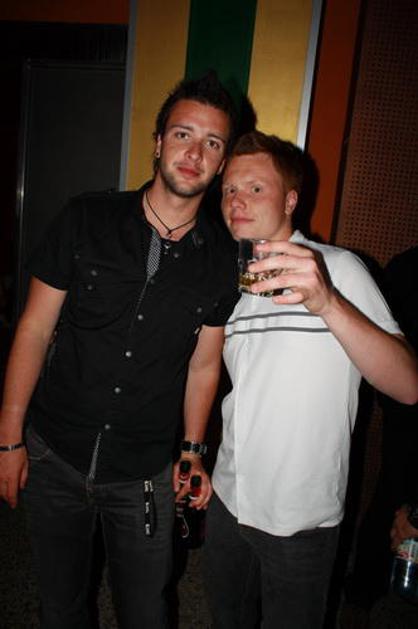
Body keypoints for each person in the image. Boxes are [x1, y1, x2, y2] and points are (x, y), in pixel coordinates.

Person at [0, 72, 238, 628]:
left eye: (212, 143)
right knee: (61, 607)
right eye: (182, 134)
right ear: (157, 143)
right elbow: (33, 329)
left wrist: (192, 450)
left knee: (147, 612)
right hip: (55, 453)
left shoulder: (222, 260)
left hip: (144, 471)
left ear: (222, 162)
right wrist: (8, 439)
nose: (194, 153)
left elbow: (204, 365)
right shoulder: (86, 218)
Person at [202, 130, 418, 629]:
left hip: (301, 518)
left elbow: (408, 384)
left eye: (256, 188)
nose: (236, 200)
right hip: (230, 501)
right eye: (229, 189)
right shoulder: (233, 282)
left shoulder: (338, 269)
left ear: (291, 200)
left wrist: (327, 302)